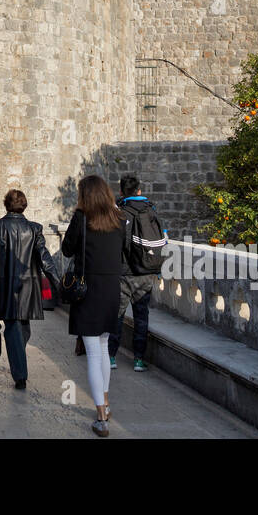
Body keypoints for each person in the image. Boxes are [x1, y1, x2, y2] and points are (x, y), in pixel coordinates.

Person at [62, 175, 125, 437]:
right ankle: (105, 403)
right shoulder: (119, 218)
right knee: (103, 348)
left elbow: (67, 249)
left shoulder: (81, 218)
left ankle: (101, 416)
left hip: (88, 289)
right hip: (111, 289)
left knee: (93, 353)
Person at [0, 189, 60, 390]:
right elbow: (45, 259)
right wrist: (58, 284)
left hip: (6, 286)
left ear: (6, 204)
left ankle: (18, 364)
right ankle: (20, 375)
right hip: (29, 285)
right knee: (17, 327)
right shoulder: (34, 229)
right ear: (24, 205)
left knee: (19, 329)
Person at [113, 176, 159, 372]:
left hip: (123, 272)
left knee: (117, 315)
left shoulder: (119, 212)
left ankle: (111, 356)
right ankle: (139, 359)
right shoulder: (150, 210)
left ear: (121, 192)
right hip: (145, 272)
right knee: (141, 316)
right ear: (139, 191)